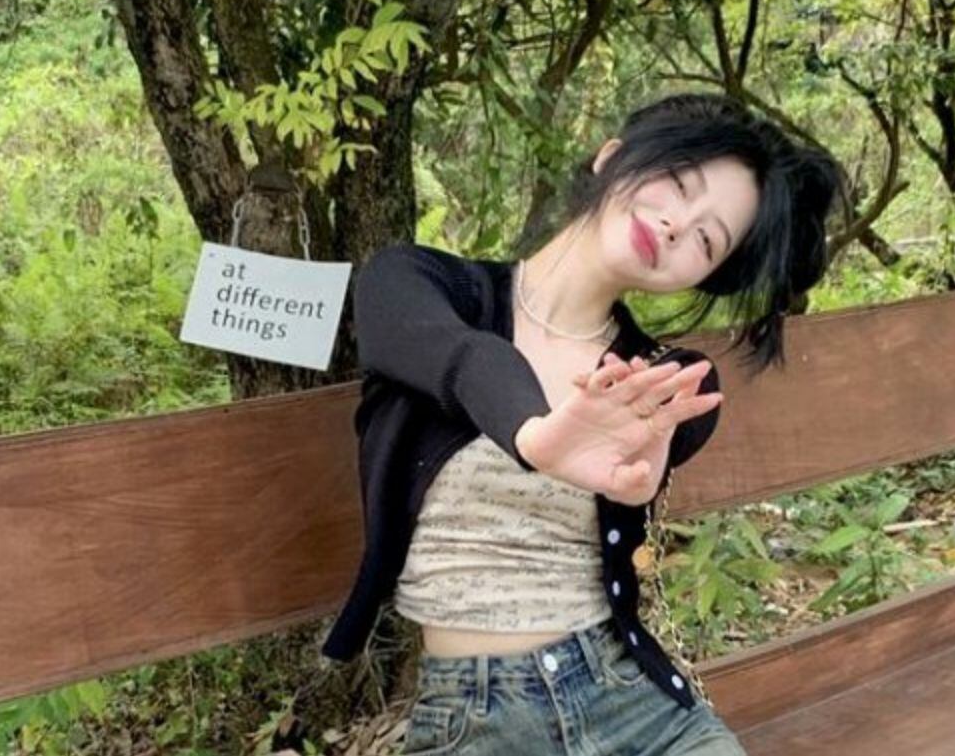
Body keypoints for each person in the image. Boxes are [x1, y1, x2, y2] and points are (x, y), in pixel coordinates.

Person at [324, 90, 843, 755]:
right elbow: (462, 357)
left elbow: (687, 408)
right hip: (478, 720)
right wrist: (534, 437)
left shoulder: (657, 381)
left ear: (704, 276)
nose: (678, 224)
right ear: (611, 157)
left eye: (707, 239)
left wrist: (644, 460)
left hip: (632, 704)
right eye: (678, 183)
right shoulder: (423, 288)